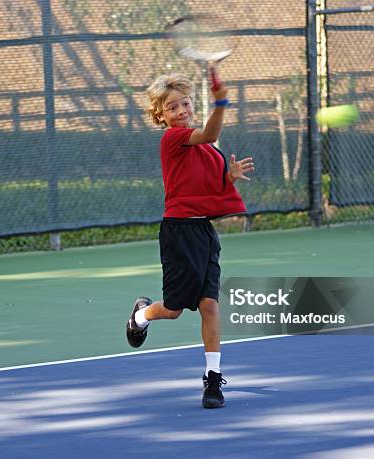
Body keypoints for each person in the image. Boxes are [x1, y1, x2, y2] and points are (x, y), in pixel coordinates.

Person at [126, 68, 254, 409]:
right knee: (173, 310)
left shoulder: (206, 150)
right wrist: (222, 101)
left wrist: (230, 176)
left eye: (185, 104)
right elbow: (211, 130)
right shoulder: (174, 139)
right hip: (179, 234)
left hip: (203, 233)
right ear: (161, 116)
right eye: (172, 107)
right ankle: (140, 316)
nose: (181, 111)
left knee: (210, 305)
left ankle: (212, 381)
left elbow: (205, 186)